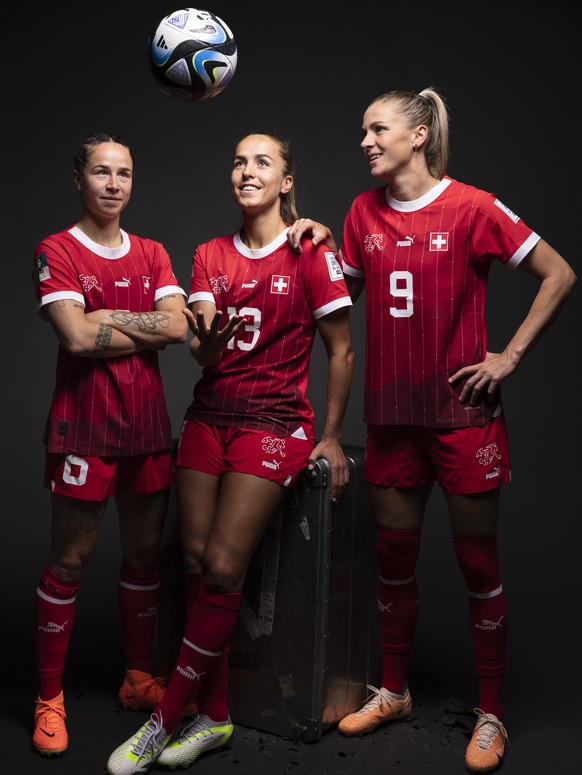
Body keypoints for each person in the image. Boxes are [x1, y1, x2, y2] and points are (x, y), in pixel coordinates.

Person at [286, 88, 577, 774]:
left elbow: (559, 272)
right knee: (393, 563)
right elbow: (335, 302)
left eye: (377, 128)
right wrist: (313, 237)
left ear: (418, 136)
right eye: (362, 129)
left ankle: (492, 712)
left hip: (462, 420)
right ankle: (394, 691)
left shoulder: (472, 206)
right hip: (390, 420)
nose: (364, 140)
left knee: (479, 565)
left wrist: (507, 357)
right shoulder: (362, 213)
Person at [106, 131, 355, 775]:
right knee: (192, 563)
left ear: (287, 180)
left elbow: (342, 351)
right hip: (209, 418)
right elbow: (203, 350)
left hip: (273, 422)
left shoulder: (310, 252)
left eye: (262, 162)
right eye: (239, 162)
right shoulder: (212, 253)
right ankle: (215, 720)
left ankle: (165, 722)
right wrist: (210, 340)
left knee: (222, 567)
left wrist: (328, 437)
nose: (247, 171)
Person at [31, 132, 190, 757]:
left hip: (147, 430)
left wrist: (106, 318)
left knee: (145, 557)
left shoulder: (152, 252)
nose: (114, 183)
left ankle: (135, 678)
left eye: (124, 172)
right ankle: (48, 696)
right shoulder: (57, 249)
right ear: (80, 179)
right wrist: (145, 327)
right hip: (84, 431)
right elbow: (73, 337)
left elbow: (180, 325)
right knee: (69, 562)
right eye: (102, 172)